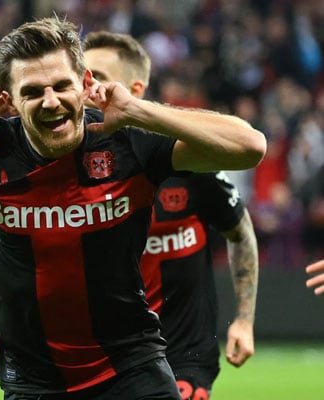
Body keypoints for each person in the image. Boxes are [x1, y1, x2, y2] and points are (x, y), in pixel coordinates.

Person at [0, 16, 266, 400]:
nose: (51, 101)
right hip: (33, 382)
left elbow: (249, 146)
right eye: (33, 91)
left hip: (132, 370)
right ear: (9, 100)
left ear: (84, 82)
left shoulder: (127, 140)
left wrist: (138, 110)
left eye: (62, 85)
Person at [82, 31, 258, 399]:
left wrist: (243, 319)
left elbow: (240, 231)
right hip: (108, 359)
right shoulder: (76, 165)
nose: (88, 88)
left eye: (97, 75)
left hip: (184, 355)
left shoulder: (189, 160)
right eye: (81, 77)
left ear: (135, 87)